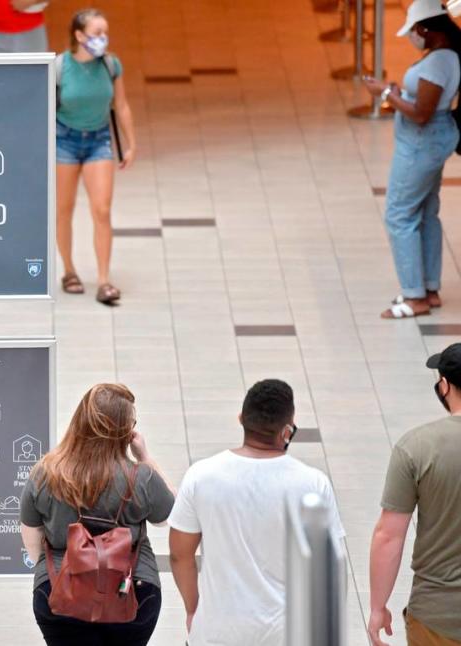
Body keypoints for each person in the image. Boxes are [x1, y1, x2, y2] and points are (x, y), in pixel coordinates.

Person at [168, 379, 345, 645]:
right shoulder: (313, 483)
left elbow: (179, 555)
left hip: (216, 634)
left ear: (241, 418)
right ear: (287, 431)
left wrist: (194, 609)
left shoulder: (201, 476)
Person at [19, 384, 175, 645]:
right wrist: (145, 456)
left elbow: (32, 535)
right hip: (132, 590)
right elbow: (169, 516)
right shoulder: (141, 478)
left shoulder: (45, 473)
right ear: (125, 431)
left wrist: (62, 572)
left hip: (60, 592)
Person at [364, 0, 461, 318]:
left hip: (421, 146)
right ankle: (428, 289)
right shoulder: (445, 57)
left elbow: (422, 114)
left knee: (399, 215)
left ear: (427, 29)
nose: (413, 35)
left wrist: (385, 94)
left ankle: (414, 296)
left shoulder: (437, 64)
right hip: (432, 142)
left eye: (416, 30)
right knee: (424, 212)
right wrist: (397, 93)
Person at [368, 343, 461, 646]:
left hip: (439, 616)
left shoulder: (417, 447)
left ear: (445, 386)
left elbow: (389, 536)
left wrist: (378, 607)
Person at [55, 9, 136, 306]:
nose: (102, 40)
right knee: (63, 209)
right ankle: (69, 270)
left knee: (101, 210)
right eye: (96, 34)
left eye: (105, 33)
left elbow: (122, 106)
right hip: (63, 140)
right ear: (79, 36)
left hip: (99, 139)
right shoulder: (59, 67)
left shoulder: (111, 65)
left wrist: (131, 144)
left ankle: (104, 280)